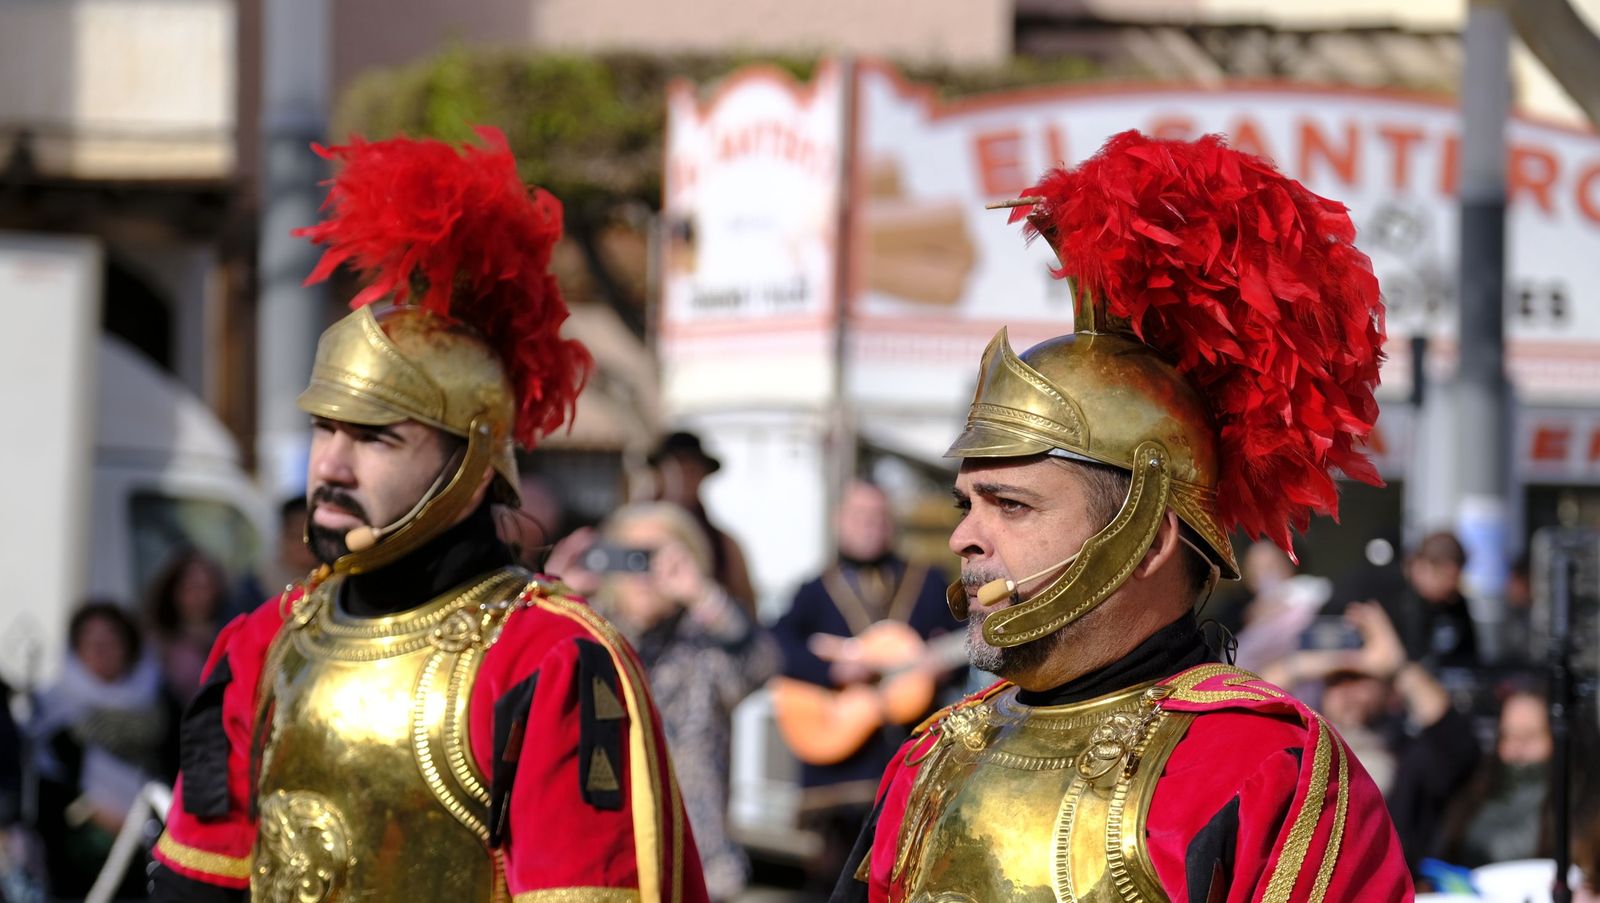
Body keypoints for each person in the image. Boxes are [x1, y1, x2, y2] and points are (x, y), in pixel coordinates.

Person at [833, 131, 1411, 901]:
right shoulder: (931, 757)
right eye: (965, 502)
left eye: (1011, 504)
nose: (966, 536)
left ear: (1146, 536)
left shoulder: (1262, 768)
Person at [149, 129, 707, 902]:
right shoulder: (257, 646)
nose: (332, 465)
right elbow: (195, 889)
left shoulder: (551, 660)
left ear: (472, 467)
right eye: (325, 427)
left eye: (376, 437)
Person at [580, 502, 779, 901]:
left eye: (658, 559)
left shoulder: (704, 642)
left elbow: (761, 666)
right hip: (604, 861)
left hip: (698, 863)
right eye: (632, 557)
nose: (644, 575)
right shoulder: (588, 634)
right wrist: (564, 589)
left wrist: (703, 595)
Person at [770, 479, 963, 886]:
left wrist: (941, 668)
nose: (870, 525)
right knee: (835, 880)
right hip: (837, 767)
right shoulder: (814, 591)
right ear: (839, 521)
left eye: (878, 516)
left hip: (912, 753)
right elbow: (775, 648)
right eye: (860, 516)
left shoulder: (927, 582)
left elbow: (960, 649)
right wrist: (834, 672)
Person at [1262, 601, 1479, 874]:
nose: (1347, 692)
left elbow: (1458, 743)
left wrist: (1398, 667)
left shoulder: (1409, 756)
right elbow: (1249, 712)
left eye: (1359, 678)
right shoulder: (1305, 751)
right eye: (1336, 681)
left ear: (1388, 689)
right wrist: (1309, 663)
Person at [33, 602, 168, 898]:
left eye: (111, 640)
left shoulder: (160, 705)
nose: (101, 650)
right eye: (91, 642)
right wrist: (94, 813)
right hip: (80, 863)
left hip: (152, 856)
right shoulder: (53, 710)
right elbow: (48, 793)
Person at [1437, 686, 1555, 867]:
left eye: (1529, 737)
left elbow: (1507, 848)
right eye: (1507, 736)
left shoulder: (1573, 799)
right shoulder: (1481, 786)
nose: (1516, 749)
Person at [648, 431, 757, 610]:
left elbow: (745, 609)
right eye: (674, 472)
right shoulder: (633, 535)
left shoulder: (725, 546)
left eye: (691, 471)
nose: (682, 481)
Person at [143, 549, 229, 704]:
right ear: (173, 592)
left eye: (205, 587)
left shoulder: (231, 636)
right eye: (190, 588)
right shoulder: (158, 643)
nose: (197, 596)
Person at [1392, 531, 1479, 670]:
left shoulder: (1455, 603)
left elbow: (1470, 656)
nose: (1451, 588)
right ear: (1423, 567)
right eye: (1446, 578)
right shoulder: (1396, 600)